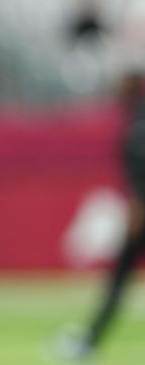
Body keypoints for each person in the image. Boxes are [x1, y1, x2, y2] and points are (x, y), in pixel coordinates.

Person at [60, 70, 145, 359]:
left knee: (119, 280)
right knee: (118, 280)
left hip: (141, 213)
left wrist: (138, 206)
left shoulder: (139, 124)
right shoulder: (135, 120)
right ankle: (90, 340)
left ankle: (89, 341)